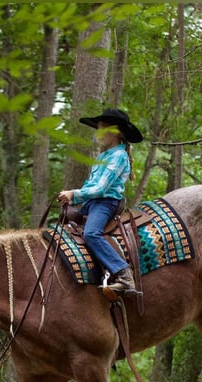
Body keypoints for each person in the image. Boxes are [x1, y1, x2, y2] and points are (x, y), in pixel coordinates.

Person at [57, 108, 143, 295]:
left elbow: (101, 189)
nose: (99, 132)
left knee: (91, 233)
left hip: (106, 203)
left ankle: (124, 274)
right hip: (93, 203)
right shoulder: (104, 156)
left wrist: (73, 194)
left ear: (116, 131)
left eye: (102, 127)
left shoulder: (119, 156)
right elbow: (92, 185)